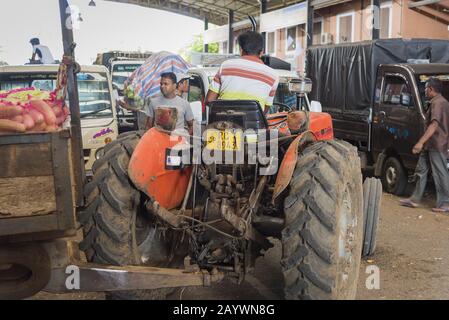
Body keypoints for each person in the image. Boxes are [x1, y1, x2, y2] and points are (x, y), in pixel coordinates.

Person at [399, 77, 449, 213]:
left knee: (440, 173)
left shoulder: (438, 103)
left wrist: (420, 142)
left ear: (431, 89)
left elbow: (434, 125)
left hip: (437, 145)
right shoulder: (438, 102)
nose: (425, 91)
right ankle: (415, 199)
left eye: (426, 88)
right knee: (421, 171)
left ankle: (445, 203)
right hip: (430, 145)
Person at [205, 31, 279, 112]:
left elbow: (209, 100)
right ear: (261, 52)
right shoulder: (273, 76)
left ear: (241, 50)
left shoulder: (226, 66)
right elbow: (264, 111)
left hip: (223, 123)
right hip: (252, 124)